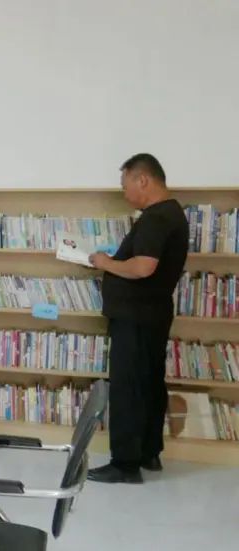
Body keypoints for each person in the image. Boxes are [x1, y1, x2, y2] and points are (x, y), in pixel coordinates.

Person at [87, 153, 189, 484]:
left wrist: (105, 262)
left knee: (128, 387)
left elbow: (144, 267)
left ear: (142, 179)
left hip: (136, 316)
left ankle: (125, 464)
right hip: (152, 314)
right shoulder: (171, 213)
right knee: (149, 382)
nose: (125, 193)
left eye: (125, 185)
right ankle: (148, 452)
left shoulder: (156, 217)